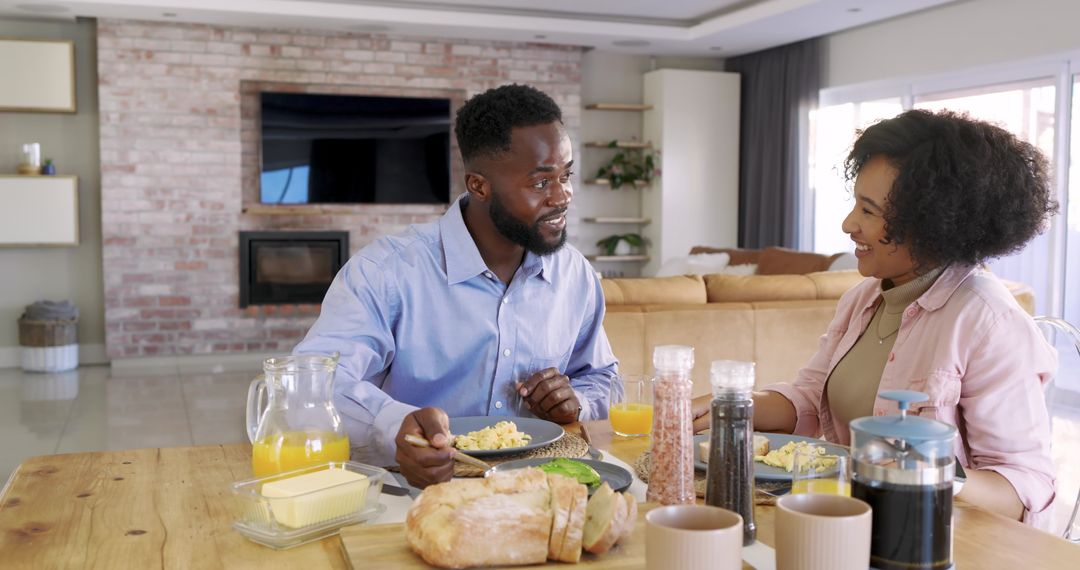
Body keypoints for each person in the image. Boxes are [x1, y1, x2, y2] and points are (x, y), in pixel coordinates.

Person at [693, 109, 1059, 528]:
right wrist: (735, 407)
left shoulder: (989, 323)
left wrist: (919, 471)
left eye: (869, 211)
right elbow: (811, 399)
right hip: (855, 527)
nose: (849, 224)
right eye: (855, 204)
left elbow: (1025, 487)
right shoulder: (863, 298)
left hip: (937, 542)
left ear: (931, 222)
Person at [293, 84, 619, 488]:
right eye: (540, 183)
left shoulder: (575, 275)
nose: (563, 196)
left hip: (537, 490)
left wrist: (577, 402)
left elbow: (602, 377)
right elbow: (309, 386)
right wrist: (395, 425)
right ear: (478, 185)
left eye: (566, 175)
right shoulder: (386, 272)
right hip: (414, 495)